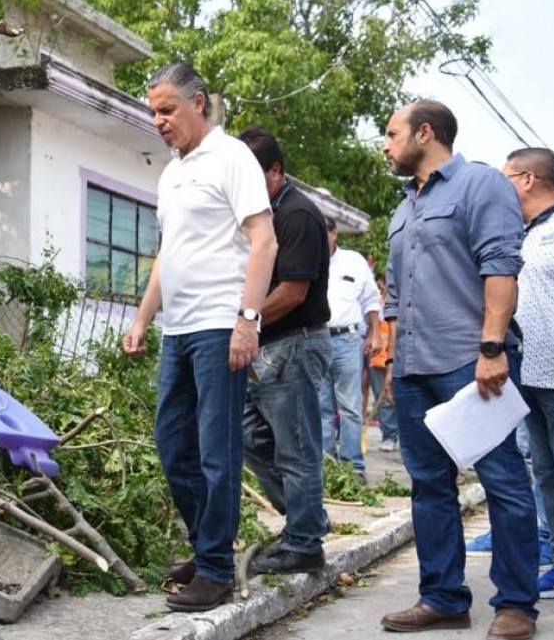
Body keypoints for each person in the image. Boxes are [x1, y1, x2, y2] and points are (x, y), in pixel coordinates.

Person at [378, 100, 538, 640]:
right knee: (429, 486)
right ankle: (443, 598)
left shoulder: (481, 185)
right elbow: (395, 299)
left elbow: (501, 267)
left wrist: (492, 347)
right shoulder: (403, 208)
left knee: (504, 483)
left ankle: (516, 604)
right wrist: (396, 370)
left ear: (426, 133)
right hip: (416, 369)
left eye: (392, 133)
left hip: (472, 364)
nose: (386, 144)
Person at [123, 63, 277, 612]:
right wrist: (144, 317)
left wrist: (247, 319)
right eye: (153, 112)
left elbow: (264, 242)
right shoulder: (171, 172)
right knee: (173, 445)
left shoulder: (232, 157)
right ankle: (206, 545)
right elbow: (168, 253)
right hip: (179, 328)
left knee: (218, 451)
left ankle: (215, 570)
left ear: (199, 103)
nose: (158, 121)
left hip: (219, 325)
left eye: (167, 110)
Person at [236, 125, 333, 574]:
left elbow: (294, 292)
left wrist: (244, 323)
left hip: (294, 344)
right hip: (265, 345)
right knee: (249, 438)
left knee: (296, 450)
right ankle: (303, 521)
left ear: (275, 171)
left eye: (250, 175)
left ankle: (304, 544)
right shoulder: (257, 213)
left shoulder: (297, 215)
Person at [505, 146, 554, 616]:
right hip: (528, 374)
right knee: (547, 474)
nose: (500, 186)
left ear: (529, 179)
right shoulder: (523, 234)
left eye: (505, 177)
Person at [319, 216, 381, 482]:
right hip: (317, 339)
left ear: (334, 234)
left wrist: (375, 334)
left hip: (347, 339)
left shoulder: (353, 261)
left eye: (323, 233)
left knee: (351, 406)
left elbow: (371, 300)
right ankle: (327, 465)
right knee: (320, 405)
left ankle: (354, 465)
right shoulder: (306, 259)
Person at [368, 279, 399, 452]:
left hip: (398, 357)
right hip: (378, 358)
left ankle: (399, 434)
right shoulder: (378, 304)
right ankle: (389, 435)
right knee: (384, 400)